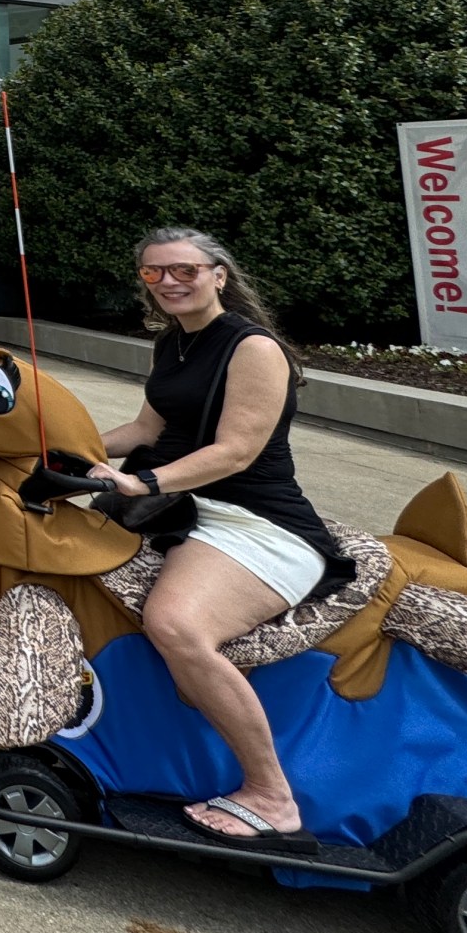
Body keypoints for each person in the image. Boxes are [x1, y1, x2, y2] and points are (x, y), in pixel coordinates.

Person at [85, 227, 349, 849]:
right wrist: (71, 447)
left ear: (219, 274)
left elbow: (236, 451)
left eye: (184, 270)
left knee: (176, 624)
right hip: (186, 510)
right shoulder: (172, 343)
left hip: (257, 524)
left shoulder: (253, 348)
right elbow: (147, 427)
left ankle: (270, 794)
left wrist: (144, 481)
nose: (169, 283)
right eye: (153, 274)